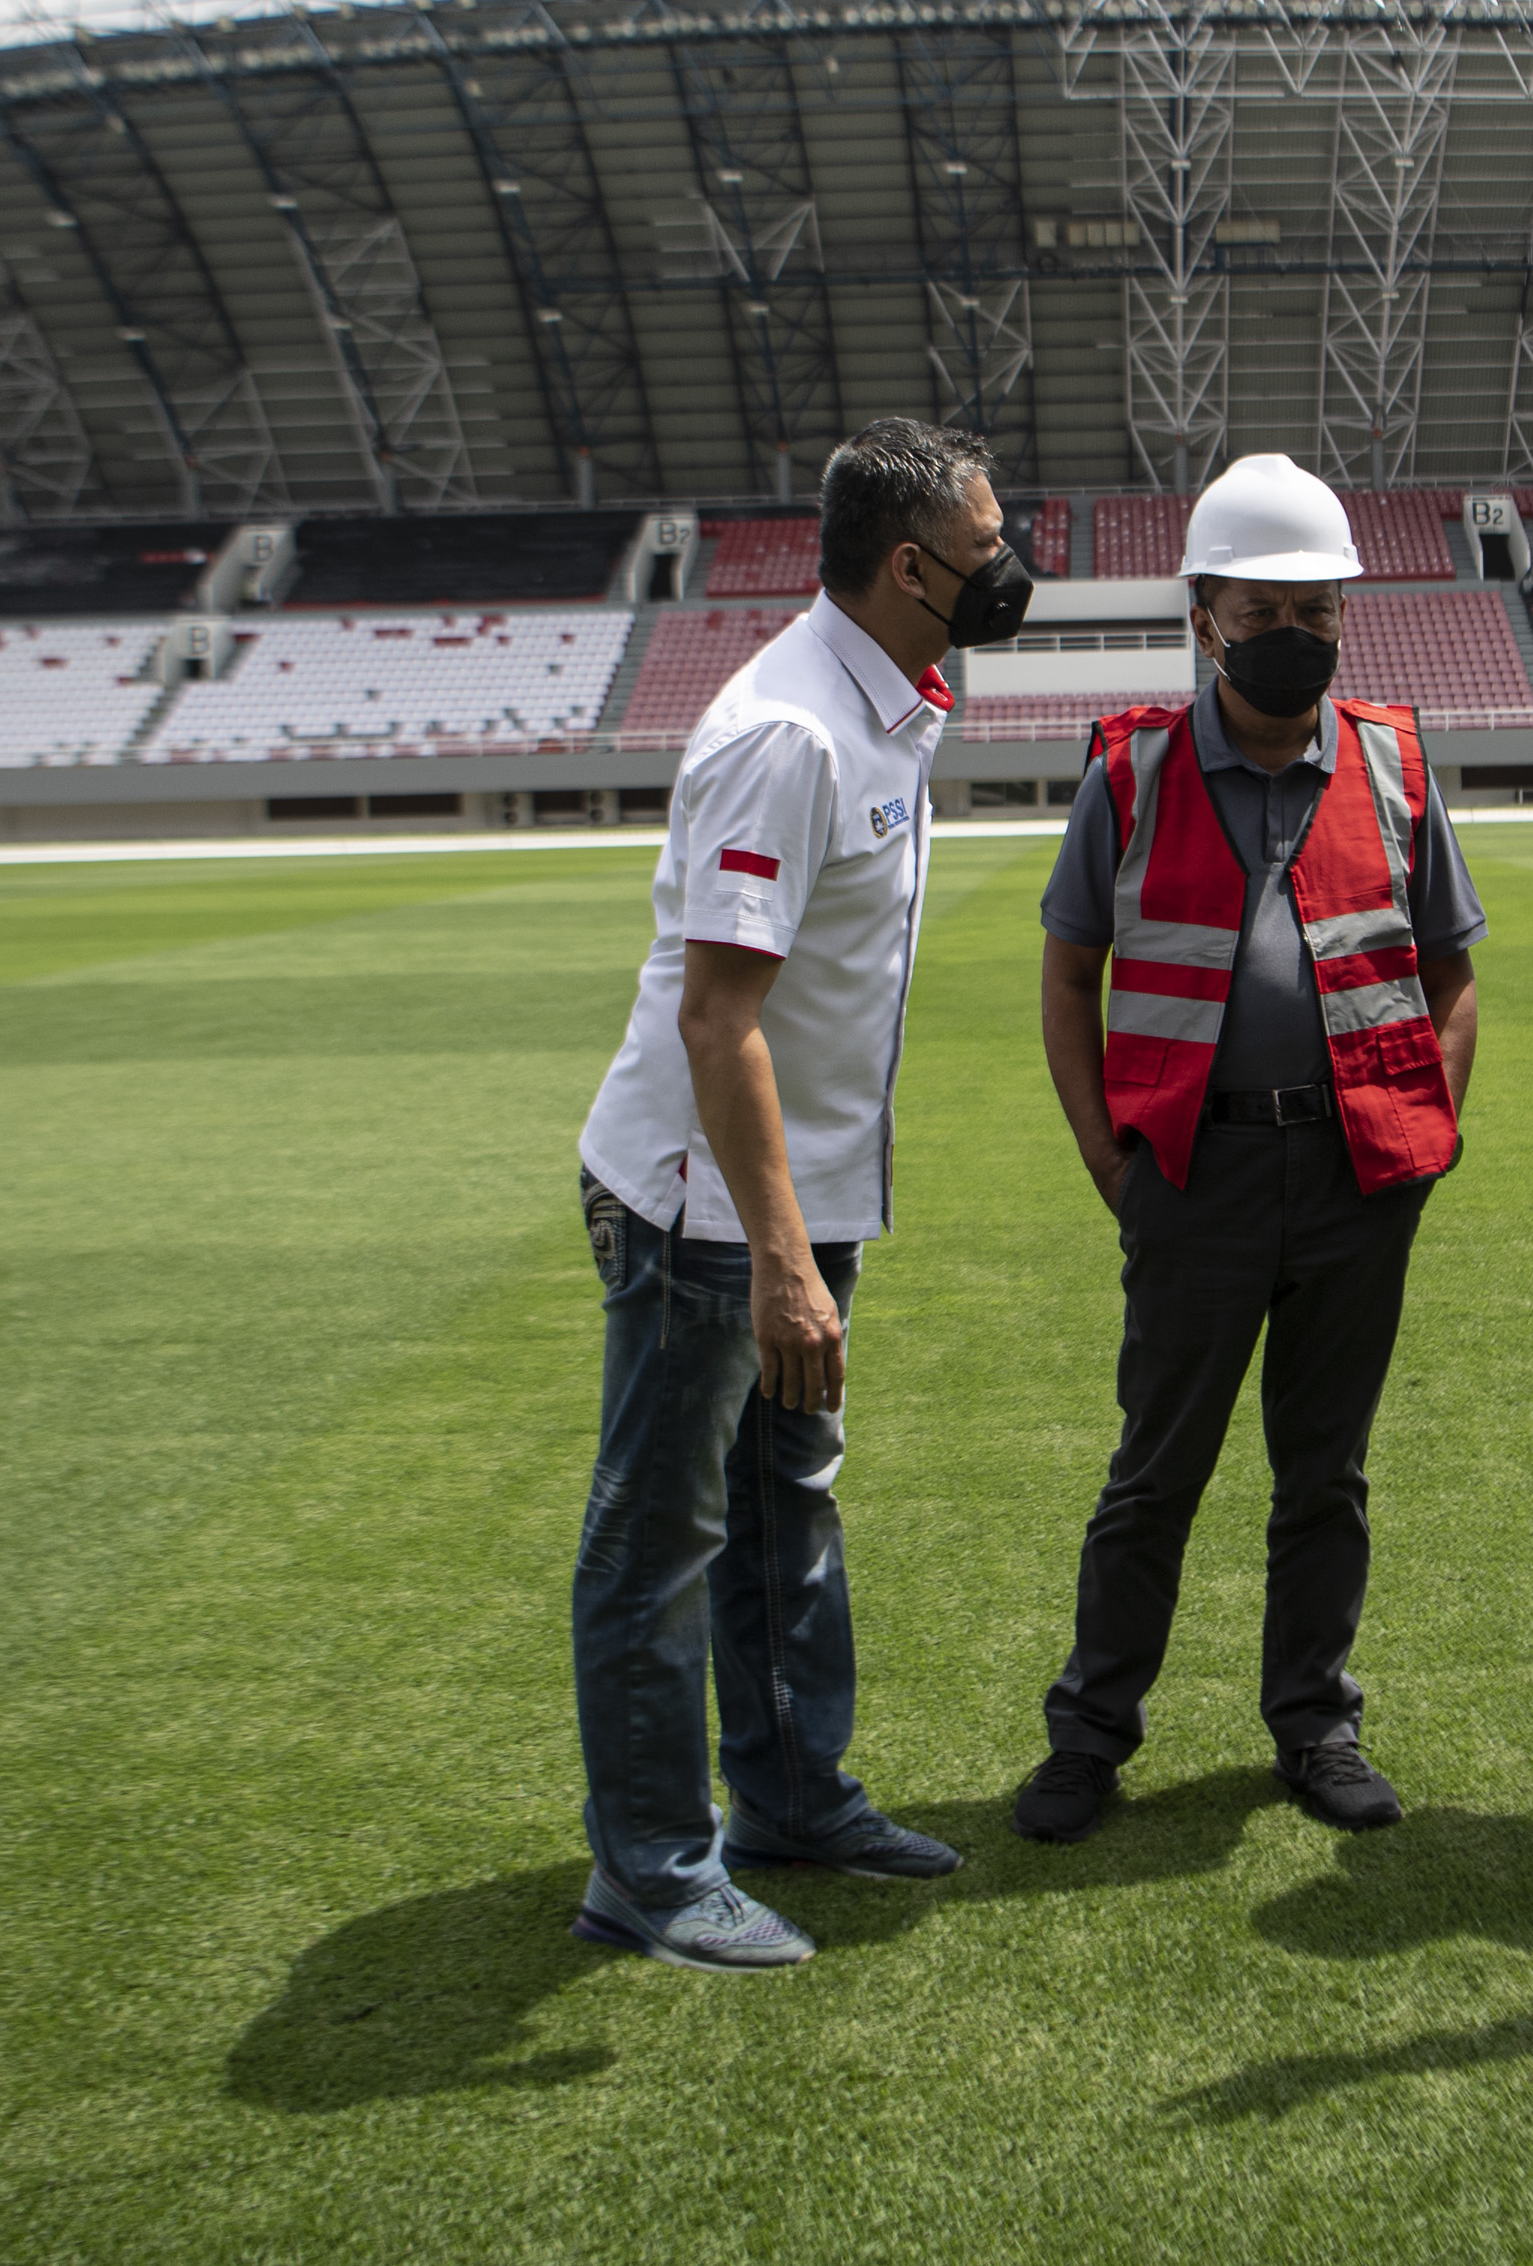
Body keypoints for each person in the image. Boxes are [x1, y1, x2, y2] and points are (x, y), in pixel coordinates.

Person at [567, 416, 1037, 1971]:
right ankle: (649, 1869)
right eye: (986, 548)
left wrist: (810, 1232)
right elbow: (721, 1019)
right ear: (910, 568)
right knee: (666, 1533)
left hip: (797, 1194)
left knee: (788, 1503)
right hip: (710, 1208)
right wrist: (782, 1259)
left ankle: (790, 1802)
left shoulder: (886, 699)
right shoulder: (791, 734)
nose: (1006, 567)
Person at [1013, 453, 1485, 1844]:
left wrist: (1425, 1142)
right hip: (1191, 1183)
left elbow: (1451, 974)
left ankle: (1317, 1727)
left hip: (1355, 1183)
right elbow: (1067, 974)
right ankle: (1092, 1735)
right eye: (1265, 606)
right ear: (1205, 614)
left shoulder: (1396, 762)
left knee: (1324, 1476)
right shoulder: (1134, 769)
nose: (1297, 634)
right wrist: (1116, 1166)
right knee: (1155, 1474)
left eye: (1320, 610)